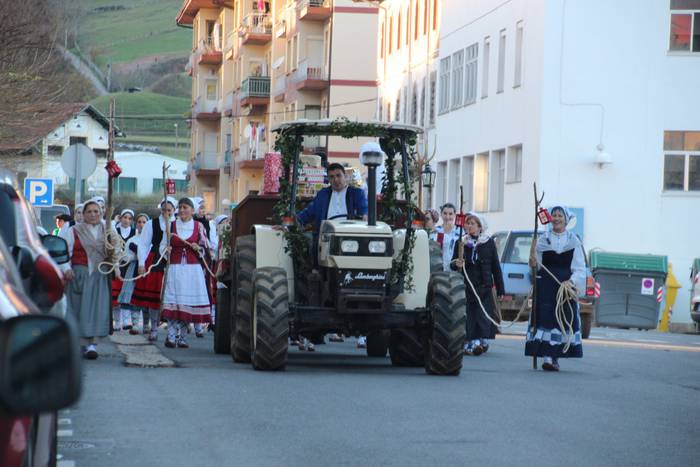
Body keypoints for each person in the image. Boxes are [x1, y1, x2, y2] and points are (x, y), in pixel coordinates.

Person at [296, 161, 368, 350]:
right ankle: (318, 287)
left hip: (351, 242)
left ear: (345, 177)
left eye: (338, 176)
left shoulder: (356, 194)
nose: (335, 180)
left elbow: (364, 213)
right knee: (308, 256)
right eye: (332, 177)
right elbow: (308, 213)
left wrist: (364, 217)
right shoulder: (323, 195)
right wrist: (293, 222)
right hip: (326, 241)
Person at [526, 206, 585, 371]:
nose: (557, 218)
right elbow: (535, 266)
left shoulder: (574, 241)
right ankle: (547, 357)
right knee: (545, 319)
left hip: (564, 288)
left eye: (560, 215)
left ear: (566, 220)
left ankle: (554, 357)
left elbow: (579, 268)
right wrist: (532, 261)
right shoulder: (542, 240)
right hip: (545, 286)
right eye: (554, 215)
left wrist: (571, 282)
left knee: (562, 320)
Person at [62, 200, 111, 359]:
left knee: (97, 310)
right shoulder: (74, 231)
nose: (93, 214)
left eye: (96, 211)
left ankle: (92, 345)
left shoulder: (108, 230)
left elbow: (116, 251)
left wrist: (115, 266)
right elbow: (65, 253)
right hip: (79, 275)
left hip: (99, 276)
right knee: (78, 309)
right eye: (89, 211)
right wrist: (66, 268)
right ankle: (79, 343)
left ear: (101, 213)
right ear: (83, 214)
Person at [161, 197, 212, 348]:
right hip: (175, 268)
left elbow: (207, 248)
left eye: (185, 207)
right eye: (180, 207)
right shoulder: (170, 225)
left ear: (192, 210)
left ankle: (182, 337)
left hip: (192, 270)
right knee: (173, 301)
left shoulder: (198, 226)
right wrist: (166, 250)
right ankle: (171, 336)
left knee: (186, 303)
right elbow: (162, 246)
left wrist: (199, 248)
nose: (182, 210)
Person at [452, 213, 505, 355]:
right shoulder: (461, 242)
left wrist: (500, 289)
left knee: (482, 315)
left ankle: (480, 340)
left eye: (472, 224)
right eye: (467, 223)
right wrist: (457, 263)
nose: (469, 226)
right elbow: (453, 263)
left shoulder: (488, 242)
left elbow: (495, 266)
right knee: (469, 315)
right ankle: (471, 342)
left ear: (480, 227)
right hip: (467, 285)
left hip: (484, 286)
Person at [131, 197, 176, 341]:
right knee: (154, 298)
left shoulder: (177, 224)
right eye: (163, 210)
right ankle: (154, 328)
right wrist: (141, 263)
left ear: (174, 210)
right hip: (155, 260)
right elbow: (143, 244)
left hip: (173, 261)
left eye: (169, 210)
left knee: (172, 297)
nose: (166, 213)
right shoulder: (152, 224)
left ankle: (173, 331)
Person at [116, 213, 149, 335]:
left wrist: (140, 254)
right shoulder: (132, 240)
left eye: (144, 222)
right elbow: (125, 257)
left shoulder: (151, 239)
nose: (141, 224)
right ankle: (135, 324)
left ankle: (146, 324)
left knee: (146, 297)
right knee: (134, 297)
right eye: (139, 222)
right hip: (133, 269)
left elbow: (150, 253)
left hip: (147, 269)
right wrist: (133, 257)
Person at [112, 209, 137, 332]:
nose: (126, 220)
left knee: (127, 293)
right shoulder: (115, 231)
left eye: (129, 218)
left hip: (129, 266)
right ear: (120, 218)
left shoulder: (134, 232)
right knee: (115, 295)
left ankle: (126, 321)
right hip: (116, 265)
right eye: (124, 217)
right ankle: (117, 321)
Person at [431, 203, 460, 271]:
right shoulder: (436, 230)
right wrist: (445, 232)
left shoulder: (460, 231)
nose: (447, 217)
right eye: (445, 213)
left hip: (454, 268)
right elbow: (436, 248)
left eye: (450, 214)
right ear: (441, 214)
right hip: (439, 267)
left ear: (454, 215)